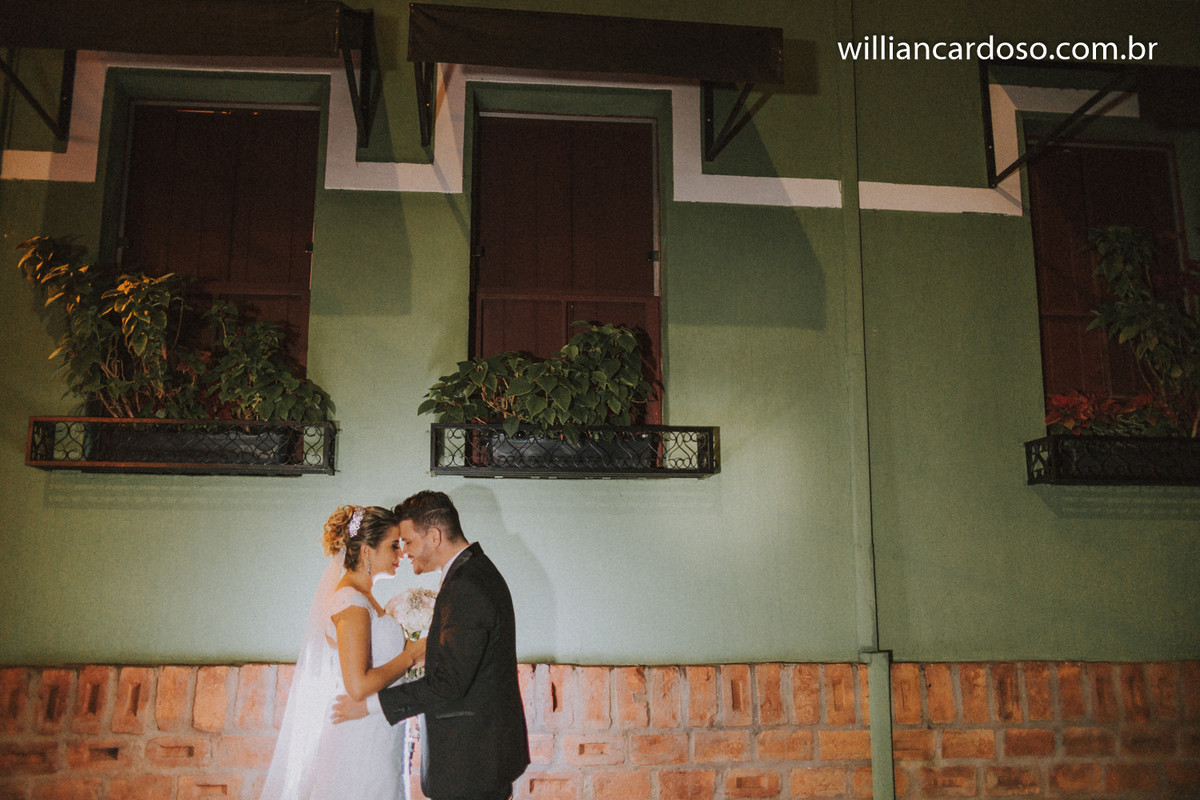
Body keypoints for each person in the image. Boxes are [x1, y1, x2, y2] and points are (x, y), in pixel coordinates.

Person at [333, 491, 529, 800]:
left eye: (408, 542)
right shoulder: (470, 573)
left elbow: (449, 682)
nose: (404, 552)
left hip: (472, 760)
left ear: (434, 536)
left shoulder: (467, 584)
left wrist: (371, 706)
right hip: (477, 755)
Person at [260, 505, 427, 800]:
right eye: (393, 546)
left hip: (379, 730)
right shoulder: (350, 603)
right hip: (361, 736)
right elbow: (358, 685)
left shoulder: (365, 599)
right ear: (366, 551)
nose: (400, 554)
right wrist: (410, 656)